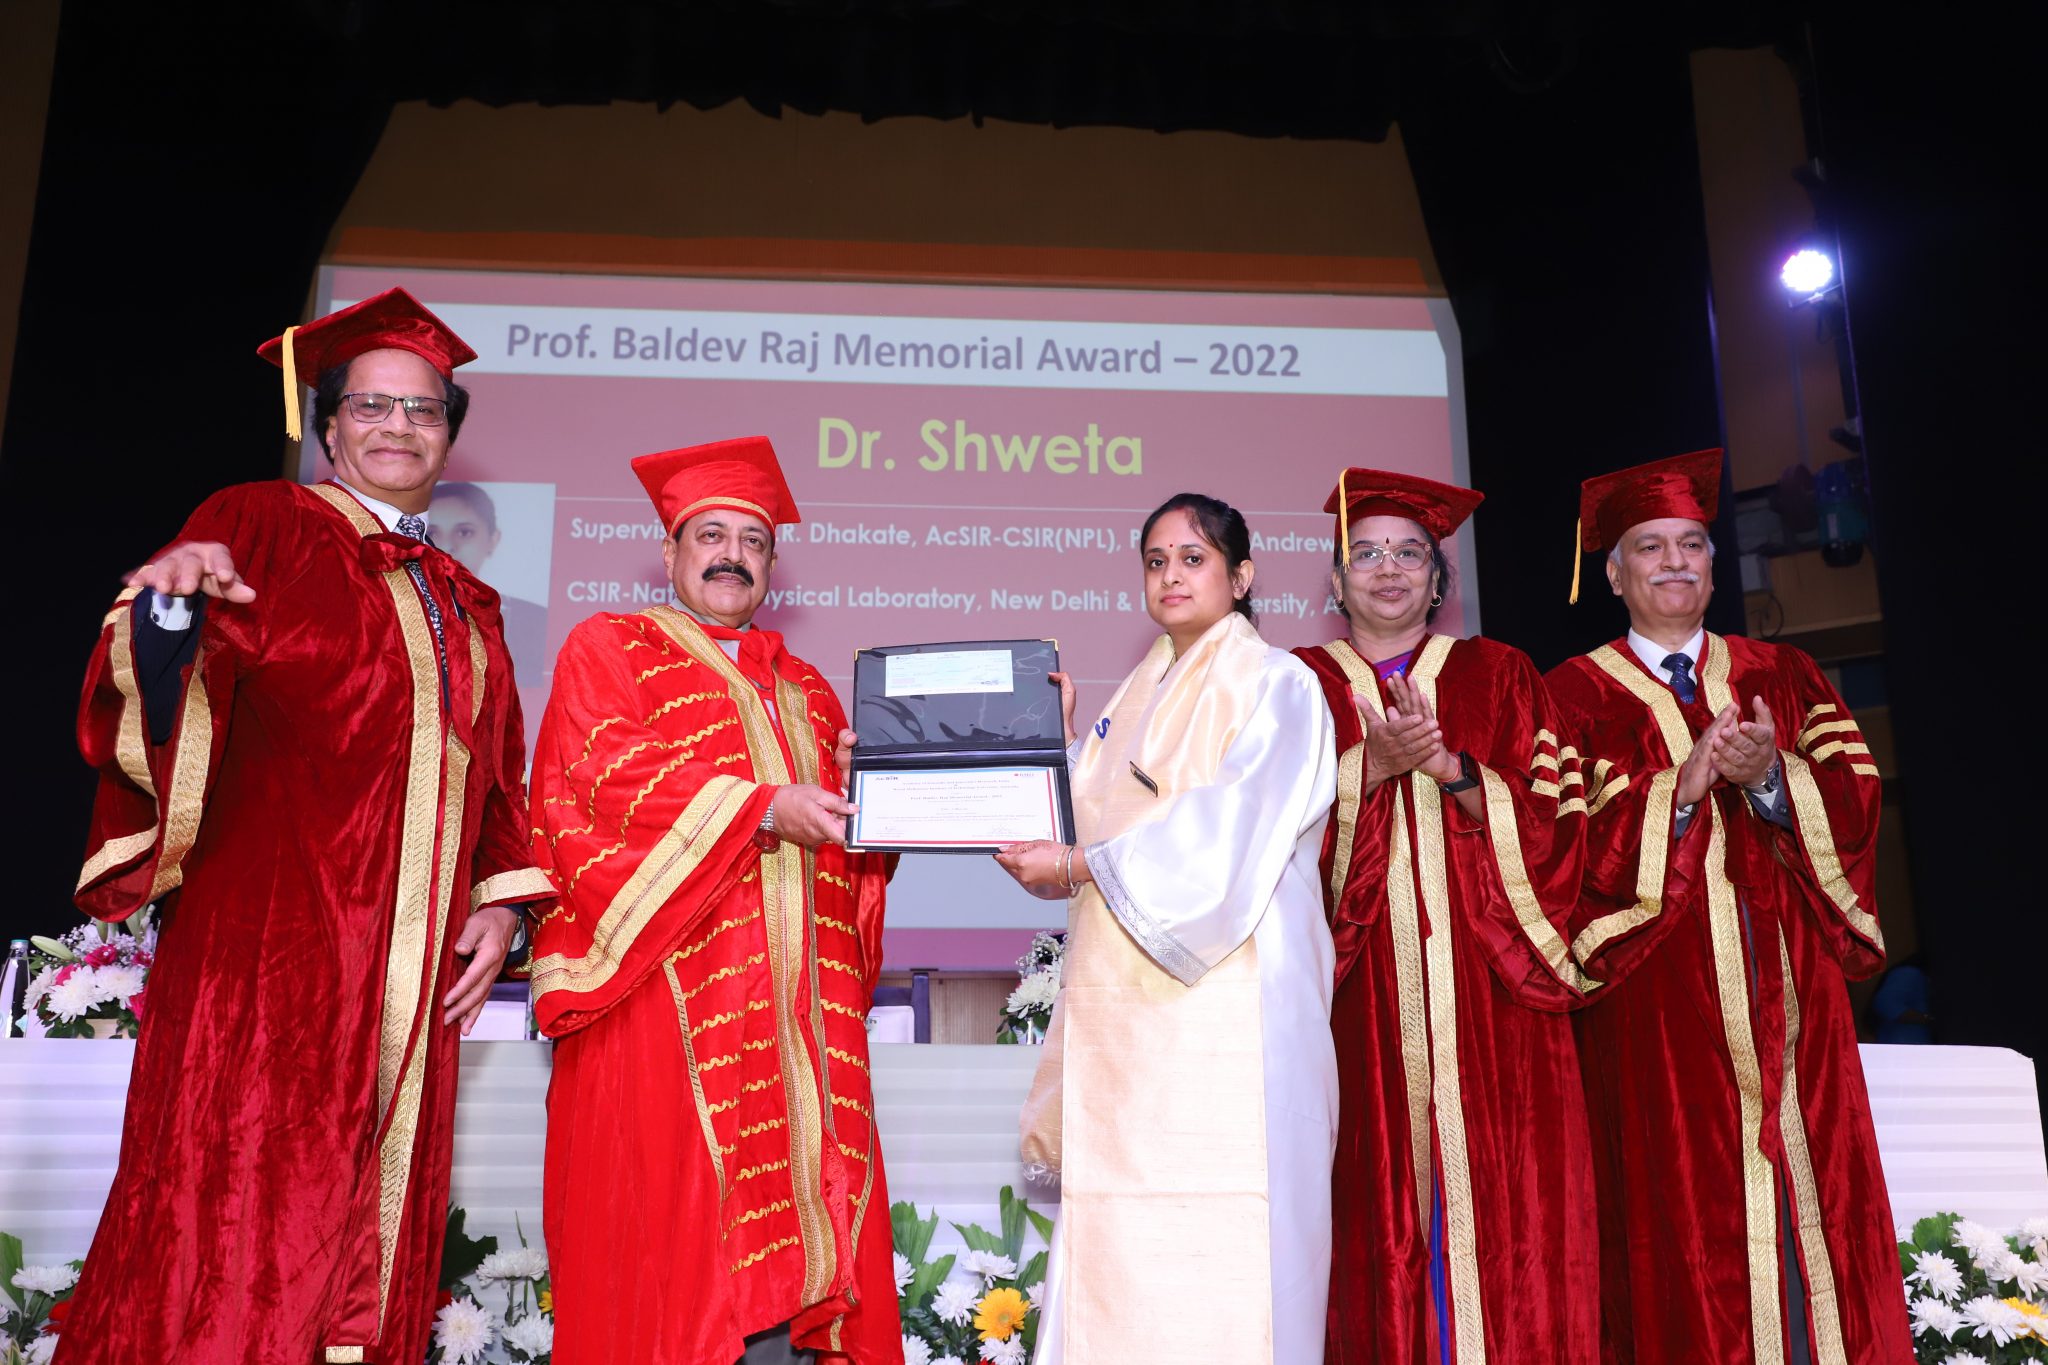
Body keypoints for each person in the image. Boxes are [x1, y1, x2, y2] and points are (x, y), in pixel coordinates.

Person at [61, 288, 551, 1365]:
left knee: (371, 1229)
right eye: (370, 405)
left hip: (407, 978)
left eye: (423, 410)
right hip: (268, 958)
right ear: (327, 428)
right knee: (239, 1216)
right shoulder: (264, 522)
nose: (397, 426)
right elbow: (167, 673)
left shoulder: (468, 601)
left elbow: (497, 782)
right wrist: (172, 608)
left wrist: (501, 905)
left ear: (449, 436)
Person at [527, 436, 900, 1365]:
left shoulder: (810, 690)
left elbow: (850, 859)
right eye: (711, 535)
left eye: (753, 541)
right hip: (663, 1015)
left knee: (803, 1253)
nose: (733, 555)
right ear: (670, 550)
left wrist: (885, 805)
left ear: (772, 564)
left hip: (799, 1026)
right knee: (668, 1262)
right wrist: (763, 806)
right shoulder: (611, 646)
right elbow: (599, 773)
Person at [1546, 449, 1913, 1365]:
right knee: (1682, 1222)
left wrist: (1770, 779)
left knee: (1815, 1207)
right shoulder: (1570, 697)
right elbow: (1557, 853)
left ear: (1714, 564)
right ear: (1613, 573)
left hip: (1795, 1000)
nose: (1675, 561)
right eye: (1650, 546)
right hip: (1657, 1015)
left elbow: (1858, 795)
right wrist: (1678, 790)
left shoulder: (1783, 673)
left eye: (1692, 544)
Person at [995, 492, 1338, 1365]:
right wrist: (1058, 749)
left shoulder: (1279, 683)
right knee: (1125, 1241)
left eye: (1193, 558)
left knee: (1233, 1242)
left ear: (1242, 576)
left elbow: (1223, 832)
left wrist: (1076, 863)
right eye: (1156, 561)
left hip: (1236, 1005)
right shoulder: (1134, 698)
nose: (1171, 575)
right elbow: (1092, 828)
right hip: (1131, 1028)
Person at [1293, 469, 1601, 1365]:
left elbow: (1559, 830)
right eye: (1366, 553)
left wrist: (1452, 772)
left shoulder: (1501, 674)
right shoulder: (1295, 685)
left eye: (1409, 553)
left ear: (1438, 579)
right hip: (1356, 998)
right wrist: (1370, 769)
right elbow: (1261, 838)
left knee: (1510, 1217)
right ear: (1335, 580)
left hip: (1493, 993)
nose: (1388, 569)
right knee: (1366, 1212)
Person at [431, 480, 551, 680]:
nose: (448, 546)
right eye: (433, 533)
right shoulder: (394, 612)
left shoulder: (533, 620)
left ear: (493, 540)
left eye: (464, 532)